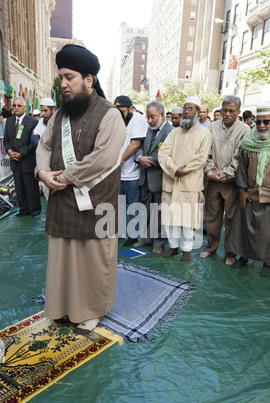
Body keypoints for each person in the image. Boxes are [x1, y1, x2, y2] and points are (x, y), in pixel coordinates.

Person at [35, 44, 126, 335]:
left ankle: (91, 311)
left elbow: (103, 158)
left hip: (97, 205)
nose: (63, 83)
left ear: (88, 79)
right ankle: (61, 308)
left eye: (69, 77)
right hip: (63, 202)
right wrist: (42, 172)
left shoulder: (110, 115)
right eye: (61, 77)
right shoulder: (59, 115)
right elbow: (44, 146)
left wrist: (64, 178)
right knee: (63, 259)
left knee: (93, 262)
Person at [227, 103, 270, 276]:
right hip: (250, 194)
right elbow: (242, 167)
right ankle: (243, 257)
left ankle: (267, 262)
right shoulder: (249, 140)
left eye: (266, 122)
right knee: (244, 228)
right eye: (258, 122)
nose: (261, 126)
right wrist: (242, 190)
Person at [158, 96, 212, 262]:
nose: (187, 112)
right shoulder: (174, 133)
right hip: (171, 181)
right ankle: (173, 247)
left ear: (197, 112)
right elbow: (163, 153)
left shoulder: (204, 133)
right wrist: (175, 169)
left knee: (188, 220)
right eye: (185, 109)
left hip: (190, 183)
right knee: (170, 218)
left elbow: (201, 158)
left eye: (191, 109)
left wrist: (184, 169)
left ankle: (186, 250)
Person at [200, 95, 250, 265]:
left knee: (231, 219)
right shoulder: (211, 127)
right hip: (213, 180)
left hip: (232, 183)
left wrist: (225, 174)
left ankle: (230, 252)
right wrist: (209, 171)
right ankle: (210, 247)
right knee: (211, 217)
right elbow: (205, 152)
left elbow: (240, 158)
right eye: (225, 110)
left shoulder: (245, 130)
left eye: (231, 111)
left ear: (238, 112)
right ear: (220, 110)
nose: (227, 114)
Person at [134, 101, 173, 253]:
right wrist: (139, 158)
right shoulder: (148, 130)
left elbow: (167, 155)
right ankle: (146, 239)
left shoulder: (171, 132)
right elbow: (139, 148)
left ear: (162, 115)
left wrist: (146, 160)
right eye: (148, 117)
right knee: (146, 210)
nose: (150, 120)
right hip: (145, 178)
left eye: (153, 117)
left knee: (159, 211)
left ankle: (159, 242)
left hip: (160, 178)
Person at [114, 95, 148, 246]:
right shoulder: (115, 120)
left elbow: (135, 144)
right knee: (119, 204)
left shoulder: (138, 121)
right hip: (116, 172)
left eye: (121, 110)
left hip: (132, 173)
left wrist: (119, 161)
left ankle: (133, 236)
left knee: (134, 206)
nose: (119, 113)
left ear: (130, 109)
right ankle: (119, 232)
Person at [4, 96, 41, 218]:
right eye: (14, 105)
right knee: (19, 188)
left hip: (27, 160)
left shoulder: (33, 122)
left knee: (31, 188)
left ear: (25, 108)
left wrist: (21, 153)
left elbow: (34, 143)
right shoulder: (9, 121)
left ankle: (34, 211)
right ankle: (23, 210)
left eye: (19, 106)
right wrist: (9, 151)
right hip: (14, 162)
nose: (16, 108)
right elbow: (6, 140)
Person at [32, 98, 57, 200]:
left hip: (58, 163)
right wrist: (44, 147)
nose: (43, 114)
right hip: (45, 163)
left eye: (45, 111)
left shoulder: (60, 121)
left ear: (53, 110)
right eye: (41, 111)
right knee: (47, 193)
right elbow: (34, 138)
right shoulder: (41, 122)